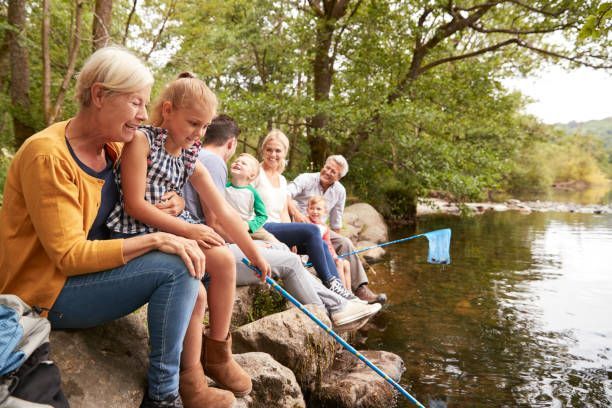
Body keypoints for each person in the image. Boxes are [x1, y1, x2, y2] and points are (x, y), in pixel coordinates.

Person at [0, 46, 204, 408]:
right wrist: (158, 238)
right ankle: (164, 396)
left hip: (86, 277)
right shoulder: (47, 155)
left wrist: (176, 203)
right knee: (177, 270)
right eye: (136, 103)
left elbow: (144, 193)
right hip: (45, 292)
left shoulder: (112, 146)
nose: (144, 116)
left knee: (188, 265)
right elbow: (69, 256)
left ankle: (195, 374)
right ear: (99, 95)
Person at [107, 73, 271, 407]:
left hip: (172, 226)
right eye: (193, 123)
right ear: (167, 110)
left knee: (224, 258)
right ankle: (191, 379)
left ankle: (218, 354)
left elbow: (222, 210)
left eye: (204, 127)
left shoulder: (189, 154)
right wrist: (188, 229)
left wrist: (254, 253)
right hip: (138, 230)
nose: (198, 133)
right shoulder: (142, 141)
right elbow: (135, 205)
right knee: (195, 291)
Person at [184, 115, 381, 329]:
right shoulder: (217, 163)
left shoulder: (196, 157)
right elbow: (217, 221)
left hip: (213, 246)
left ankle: (342, 301)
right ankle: (333, 312)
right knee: (291, 258)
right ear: (231, 143)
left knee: (300, 249)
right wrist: (254, 249)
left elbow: (218, 217)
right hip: (214, 251)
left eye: (278, 151)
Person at [253, 130, 358, 300]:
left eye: (278, 151)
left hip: (277, 228)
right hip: (261, 227)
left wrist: (290, 237)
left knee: (322, 246)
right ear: (263, 150)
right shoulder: (255, 173)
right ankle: (331, 282)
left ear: (284, 153)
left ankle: (339, 291)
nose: (273, 154)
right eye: (269, 150)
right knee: (312, 230)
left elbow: (282, 211)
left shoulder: (280, 179)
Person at [287, 155, 387, 304]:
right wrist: (296, 214)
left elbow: (336, 221)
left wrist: (332, 245)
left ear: (339, 177)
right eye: (327, 167)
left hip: (319, 228)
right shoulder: (306, 179)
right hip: (297, 223)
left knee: (344, 242)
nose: (327, 172)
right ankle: (341, 291)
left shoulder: (340, 191)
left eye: (333, 172)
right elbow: (285, 194)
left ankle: (360, 289)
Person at [225, 153, 280, 244]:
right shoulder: (224, 187)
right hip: (228, 228)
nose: (238, 163)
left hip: (248, 228)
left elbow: (262, 215)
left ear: (252, 175)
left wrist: (249, 225)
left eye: (244, 163)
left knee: (271, 240)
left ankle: (293, 256)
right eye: (236, 161)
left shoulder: (252, 192)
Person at [307, 196, 351, 291]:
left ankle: (350, 291)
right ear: (307, 210)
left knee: (346, 263)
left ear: (324, 211)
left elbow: (329, 244)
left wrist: (334, 256)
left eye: (318, 209)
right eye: (312, 208)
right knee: (339, 263)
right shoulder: (306, 223)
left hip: (326, 253)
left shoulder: (324, 227)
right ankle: (342, 290)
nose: (315, 211)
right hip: (313, 256)